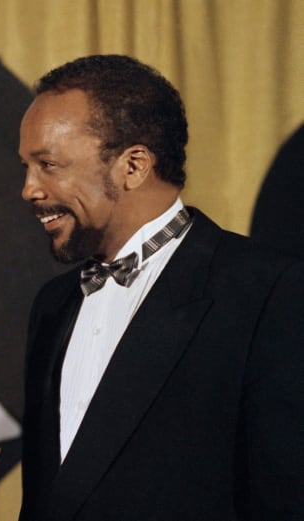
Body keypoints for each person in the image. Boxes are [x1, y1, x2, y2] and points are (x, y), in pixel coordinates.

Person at [17, 54, 304, 520]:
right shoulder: (53, 305)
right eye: (27, 167)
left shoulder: (269, 291)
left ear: (133, 166)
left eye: (49, 165)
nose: (29, 189)